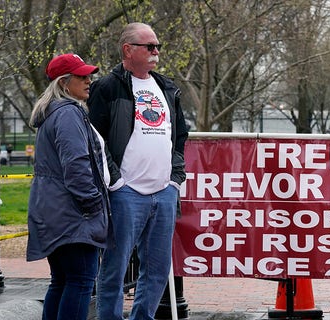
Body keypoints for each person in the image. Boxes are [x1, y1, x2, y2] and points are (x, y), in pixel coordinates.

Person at [87, 22, 189, 320]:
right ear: (128, 50)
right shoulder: (107, 87)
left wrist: (174, 179)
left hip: (163, 192)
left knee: (157, 269)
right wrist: (116, 182)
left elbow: (180, 136)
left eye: (158, 46)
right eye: (150, 46)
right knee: (115, 268)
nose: (156, 51)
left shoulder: (167, 87)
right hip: (126, 193)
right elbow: (96, 139)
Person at [27, 53, 111, 320]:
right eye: (82, 76)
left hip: (53, 211)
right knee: (81, 281)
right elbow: (76, 165)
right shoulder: (68, 114)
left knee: (62, 281)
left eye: (89, 75)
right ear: (64, 83)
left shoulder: (52, 113)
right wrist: (93, 204)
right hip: (73, 215)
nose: (89, 80)